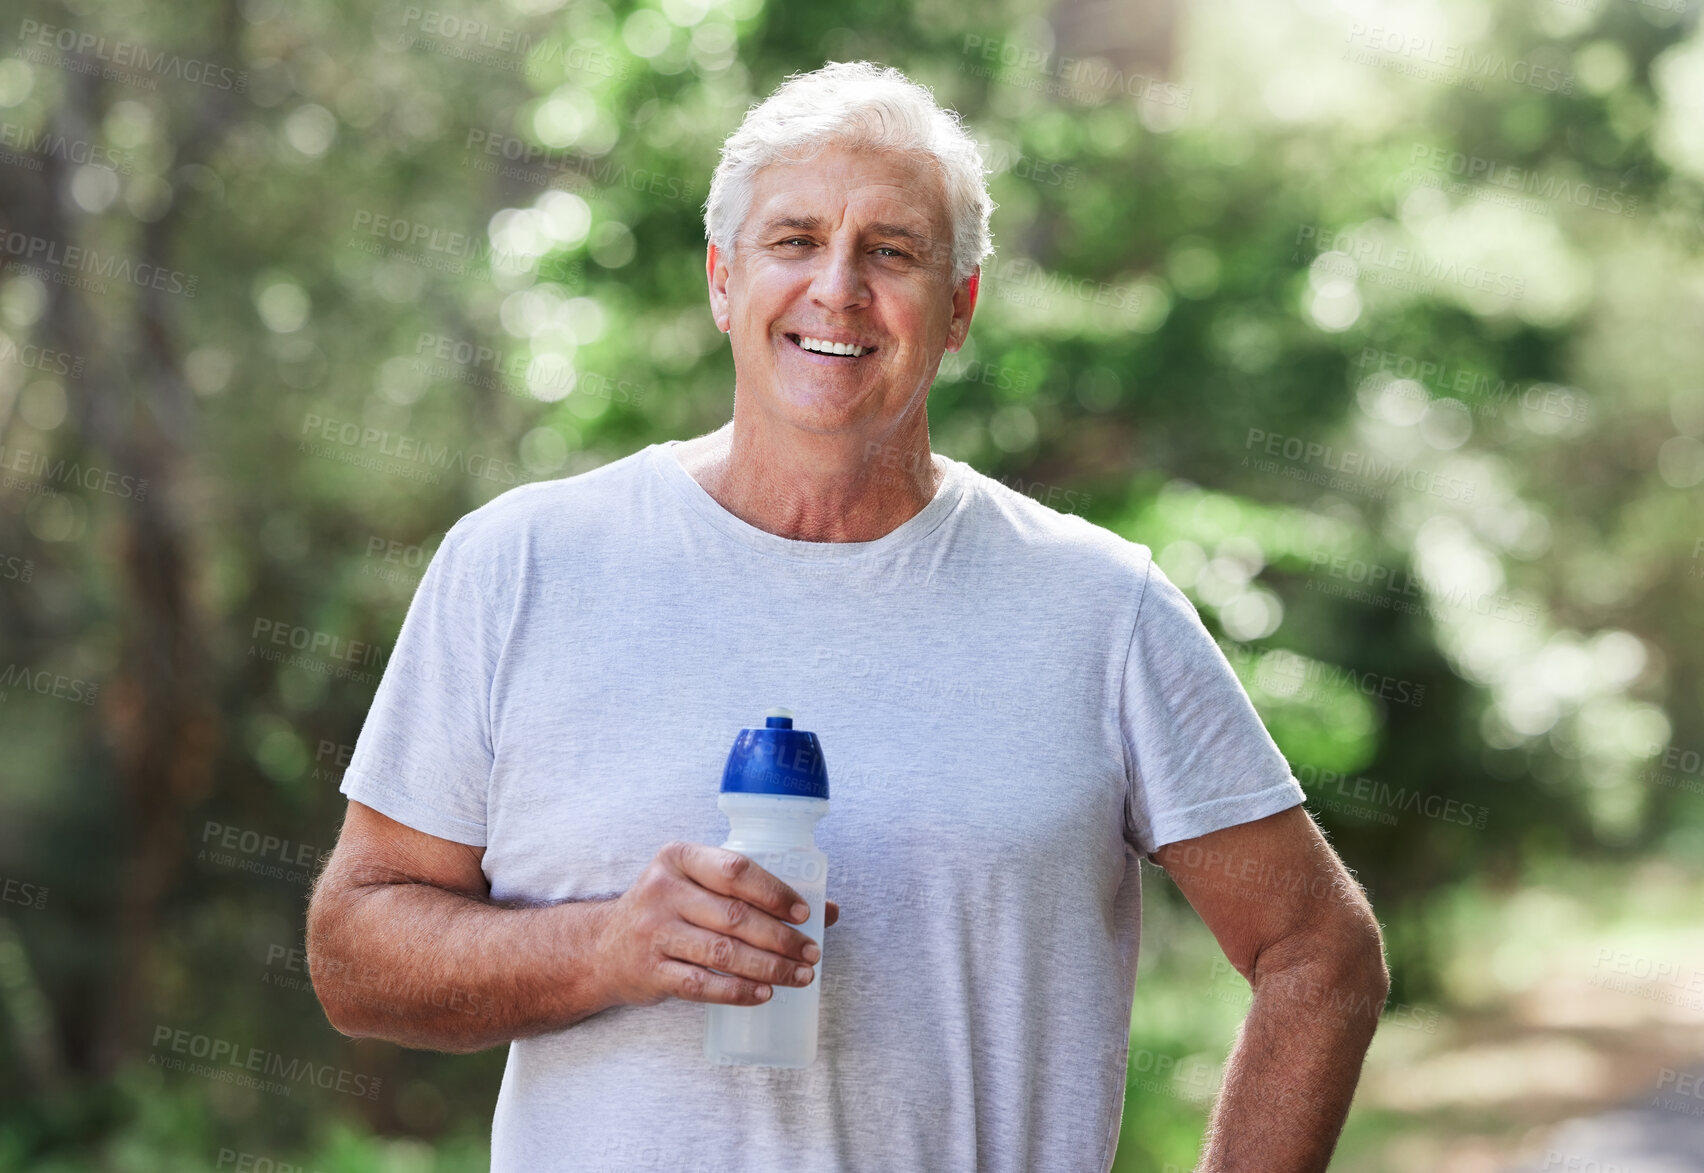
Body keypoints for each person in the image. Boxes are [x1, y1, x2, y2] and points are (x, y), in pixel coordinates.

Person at [306, 60, 1389, 1173]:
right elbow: (356, 957)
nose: (838, 287)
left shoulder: (1099, 610)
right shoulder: (519, 567)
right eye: (794, 241)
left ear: (958, 308)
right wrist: (607, 947)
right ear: (724, 282)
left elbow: (1319, 952)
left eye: (893, 250)